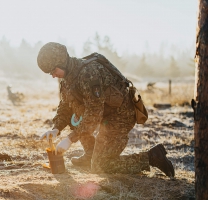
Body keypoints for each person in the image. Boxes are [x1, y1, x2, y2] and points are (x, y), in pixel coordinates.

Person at [37, 42, 175, 177]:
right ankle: (90, 155)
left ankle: (152, 157)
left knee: (101, 166)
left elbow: (94, 113)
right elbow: (66, 106)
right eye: (50, 73)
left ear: (63, 62)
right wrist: (56, 129)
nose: (53, 75)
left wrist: (69, 139)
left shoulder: (88, 73)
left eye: (54, 71)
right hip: (105, 115)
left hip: (120, 117)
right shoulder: (67, 78)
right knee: (75, 116)